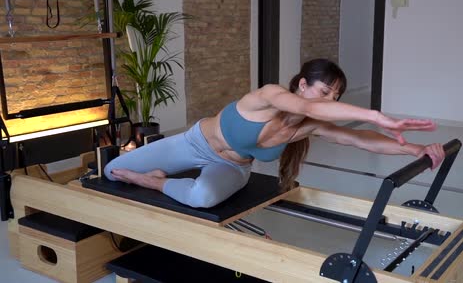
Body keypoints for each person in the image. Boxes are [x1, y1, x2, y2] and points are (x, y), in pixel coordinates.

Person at [104, 59, 445, 208]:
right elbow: (310, 108)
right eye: (325, 91)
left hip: (233, 168)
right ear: (301, 84)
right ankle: (152, 172)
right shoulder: (269, 96)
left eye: (336, 97)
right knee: (110, 173)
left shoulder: (310, 124)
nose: (330, 102)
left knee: (202, 198)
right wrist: (376, 115)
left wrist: (414, 150)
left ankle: (153, 180)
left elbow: (357, 139)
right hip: (194, 144)